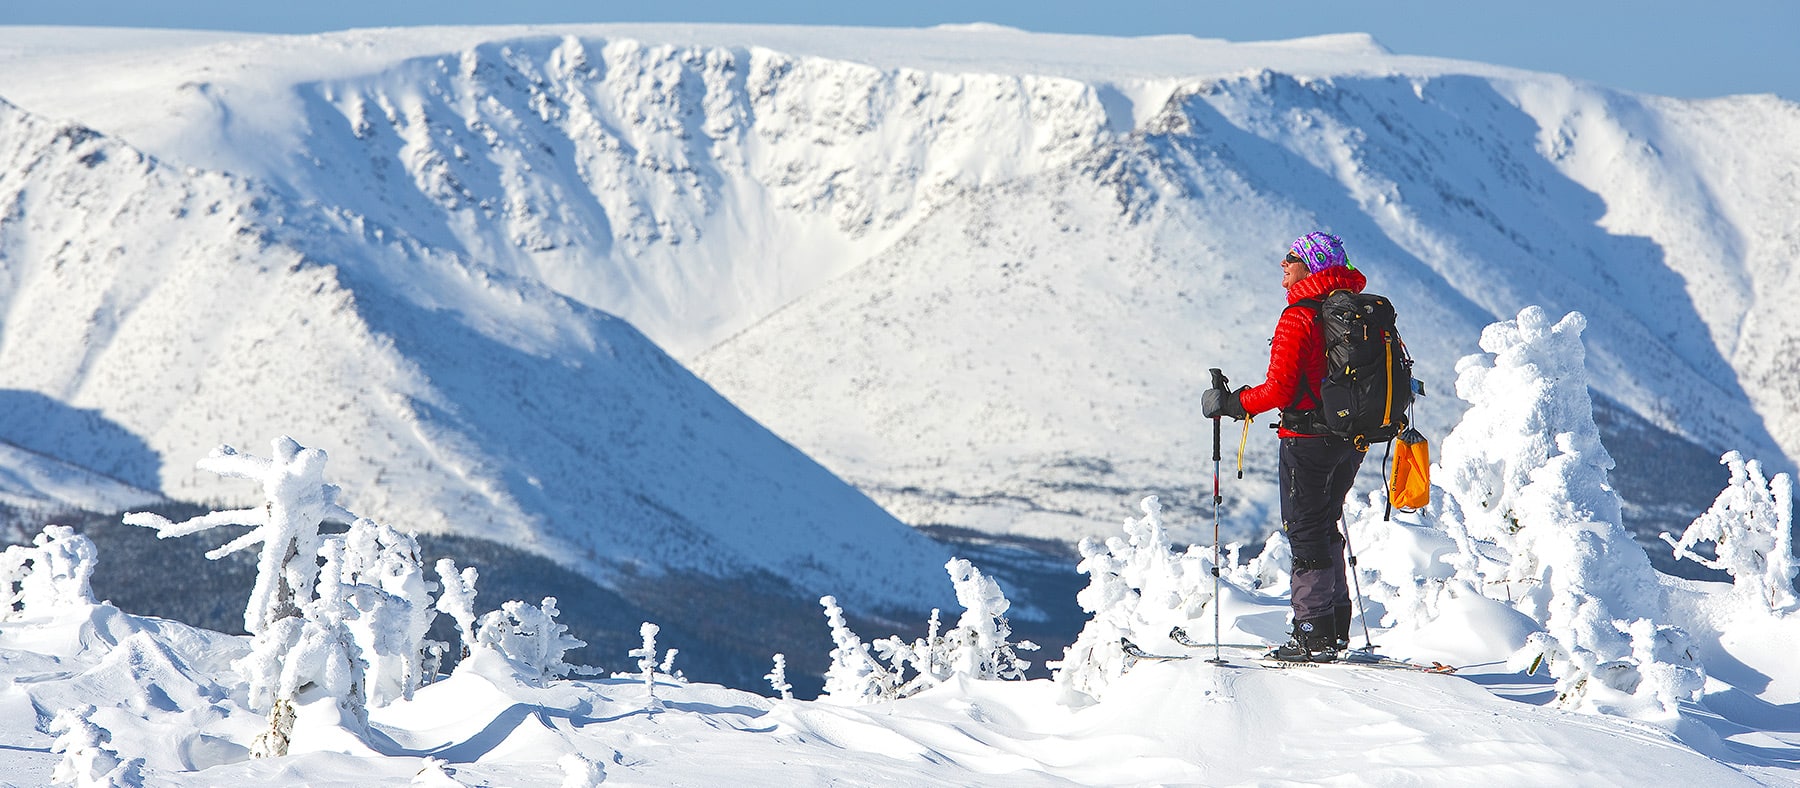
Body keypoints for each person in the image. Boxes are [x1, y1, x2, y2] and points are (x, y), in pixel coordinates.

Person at [1202, 231, 1367, 663]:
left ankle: (1312, 634)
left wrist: (1235, 404)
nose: (1283, 270)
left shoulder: (1300, 316)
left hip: (1307, 438)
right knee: (1325, 522)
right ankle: (1334, 628)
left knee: (1305, 529)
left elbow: (1280, 387)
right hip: (1353, 439)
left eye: (1289, 261)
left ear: (1311, 263)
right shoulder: (1357, 312)